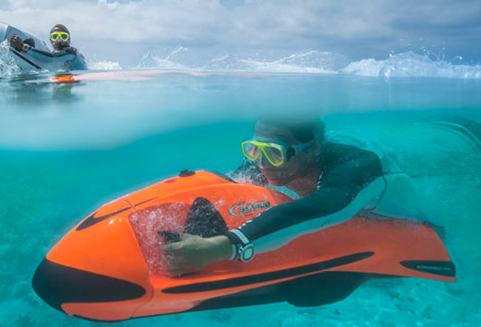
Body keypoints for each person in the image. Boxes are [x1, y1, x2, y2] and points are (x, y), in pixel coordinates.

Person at [162, 115, 387, 276]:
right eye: (255, 149)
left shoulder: (355, 166)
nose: (261, 163)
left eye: (273, 152)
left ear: (313, 148)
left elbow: (324, 206)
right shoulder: (266, 162)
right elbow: (232, 191)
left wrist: (220, 247)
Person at [10, 24, 87, 71]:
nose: (59, 40)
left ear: (69, 39)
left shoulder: (72, 52)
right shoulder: (56, 55)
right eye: (55, 37)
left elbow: (51, 58)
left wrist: (23, 47)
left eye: (63, 36)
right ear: (50, 40)